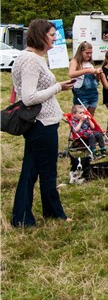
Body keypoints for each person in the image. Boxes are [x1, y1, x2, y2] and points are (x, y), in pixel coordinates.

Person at [10, 19, 75, 227]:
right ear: (40, 36)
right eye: (51, 35)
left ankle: (22, 217)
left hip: (42, 123)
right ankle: (54, 214)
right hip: (41, 124)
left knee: (30, 171)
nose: (55, 38)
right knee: (47, 172)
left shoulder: (33, 57)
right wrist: (58, 87)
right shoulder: (30, 60)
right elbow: (29, 97)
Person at [68, 41, 102, 117]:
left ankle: (89, 129)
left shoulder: (90, 63)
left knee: (90, 117)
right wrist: (88, 70)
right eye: (87, 53)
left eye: (91, 53)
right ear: (81, 51)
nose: (89, 55)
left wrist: (98, 74)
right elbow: (71, 74)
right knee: (80, 117)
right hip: (81, 93)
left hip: (93, 93)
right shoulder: (75, 61)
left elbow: (96, 81)